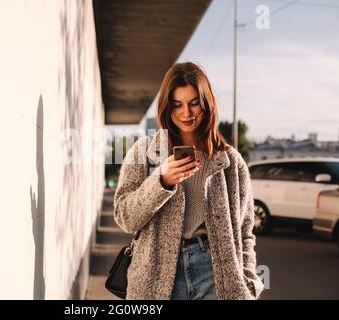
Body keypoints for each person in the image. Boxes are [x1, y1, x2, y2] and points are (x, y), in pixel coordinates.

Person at [113, 62, 264, 300]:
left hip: (215, 273)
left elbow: (246, 231)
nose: (187, 113)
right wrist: (161, 182)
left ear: (207, 103)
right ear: (167, 106)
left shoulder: (231, 162)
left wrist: (249, 282)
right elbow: (125, 217)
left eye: (194, 103)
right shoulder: (144, 152)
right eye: (178, 104)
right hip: (156, 273)